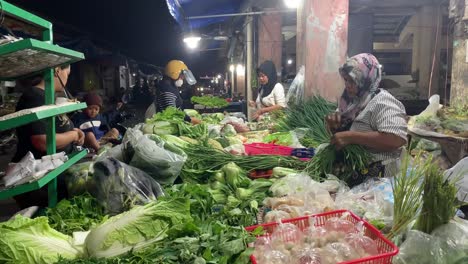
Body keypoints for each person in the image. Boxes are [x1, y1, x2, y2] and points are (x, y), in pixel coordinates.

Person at [12, 64, 85, 208]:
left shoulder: (47, 97)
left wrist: (74, 131)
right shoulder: (34, 96)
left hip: (54, 175)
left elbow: (56, 128)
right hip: (40, 181)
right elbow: (42, 141)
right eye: (67, 74)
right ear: (57, 71)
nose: (67, 79)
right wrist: (73, 135)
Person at [326, 53, 407, 181]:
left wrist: (351, 137)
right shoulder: (350, 102)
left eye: (352, 80)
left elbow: (397, 138)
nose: (347, 85)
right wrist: (333, 125)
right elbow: (341, 136)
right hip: (358, 176)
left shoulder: (382, 101)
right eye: (346, 80)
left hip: (381, 181)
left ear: (366, 78)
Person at [145, 60, 201, 124]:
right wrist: (189, 119)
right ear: (175, 73)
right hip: (169, 124)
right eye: (182, 76)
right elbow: (172, 112)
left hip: (174, 121)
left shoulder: (170, 87)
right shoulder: (167, 90)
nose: (183, 78)